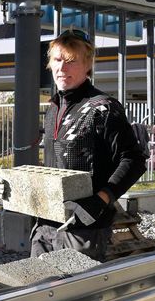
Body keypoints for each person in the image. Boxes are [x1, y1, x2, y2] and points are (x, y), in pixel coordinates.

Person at [31, 29, 147, 262]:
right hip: (46, 224)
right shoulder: (54, 108)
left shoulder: (103, 108)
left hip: (84, 227)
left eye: (71, 61)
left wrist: (102, 198)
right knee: (38, 284)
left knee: (75, 286)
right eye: (57, 60)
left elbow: (134, 160)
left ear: (88, 65)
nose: (62, 68)